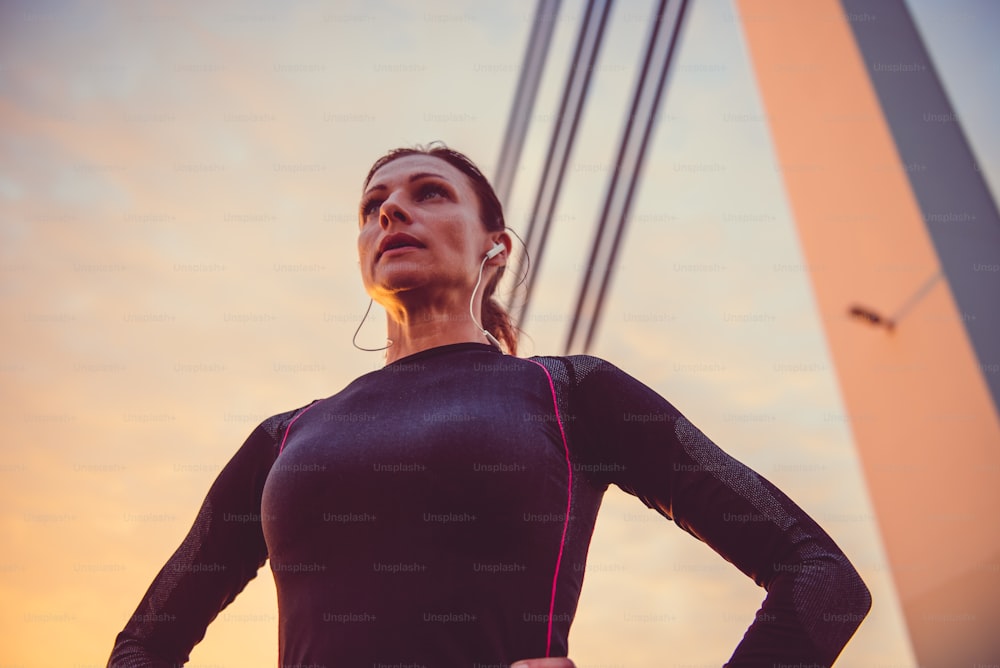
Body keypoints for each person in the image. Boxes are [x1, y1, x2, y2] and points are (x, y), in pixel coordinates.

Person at [107, 143, 871, 667]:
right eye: (374, 205)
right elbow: (143, 646)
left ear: (494, 248)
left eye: (427, 194)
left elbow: (822, 577)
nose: (390, 214)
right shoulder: (283, 438)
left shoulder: (574, 392)